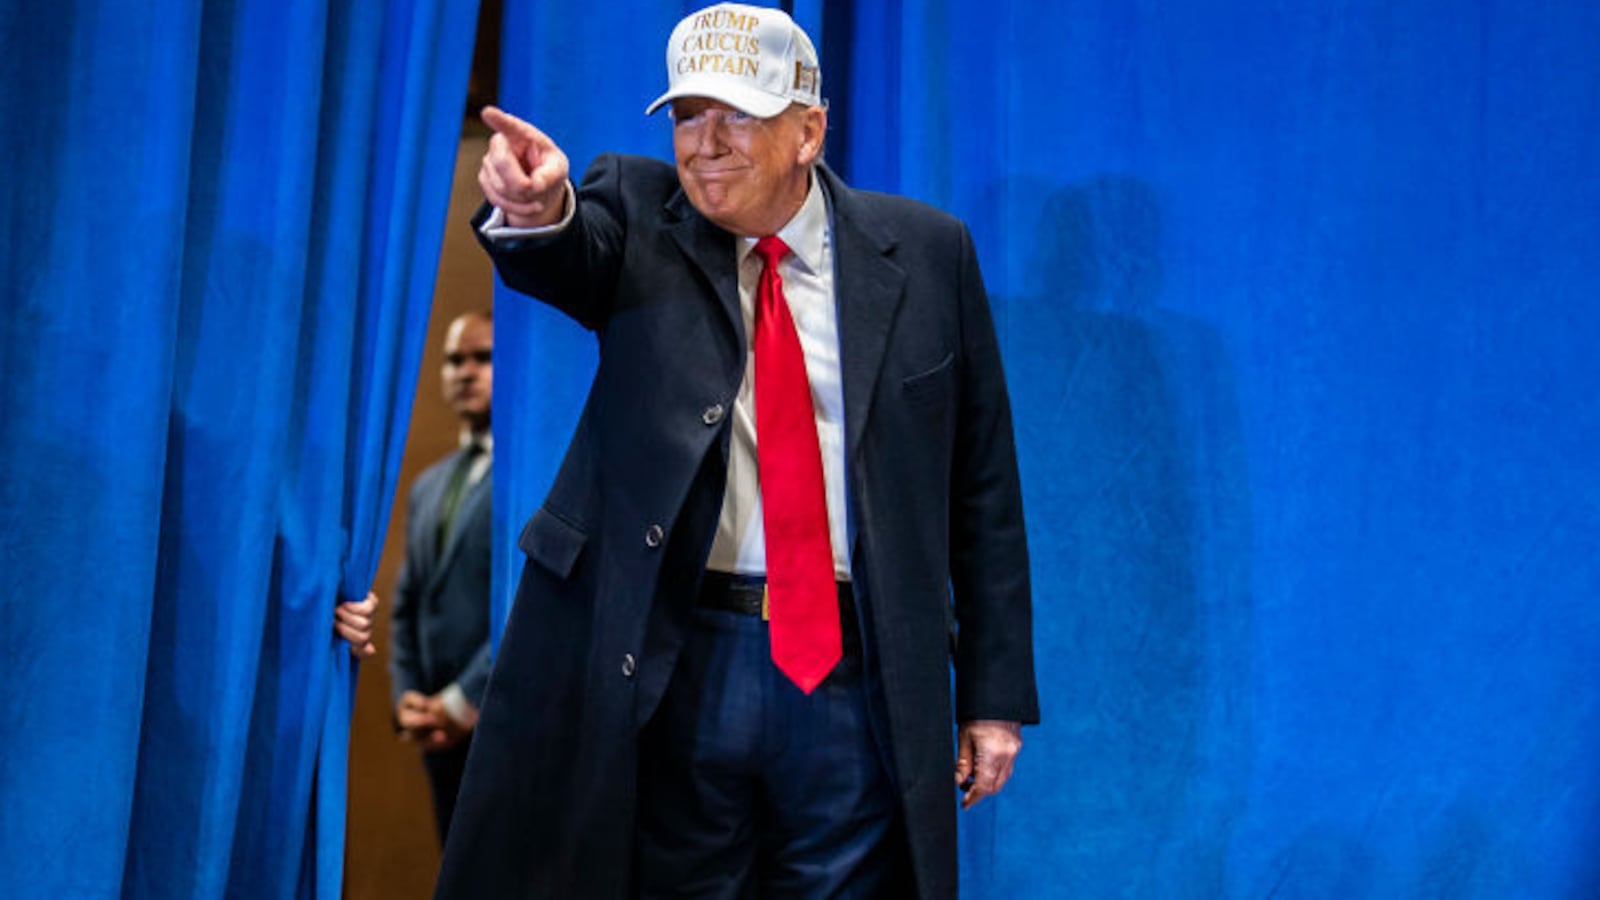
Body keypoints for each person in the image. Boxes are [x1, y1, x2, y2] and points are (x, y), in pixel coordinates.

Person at [439, 4, 1037, 897]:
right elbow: (570, 247)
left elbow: (982, 488)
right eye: (687, 114)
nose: (705, 142)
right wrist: (537, 209)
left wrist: (992, 695)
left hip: (852, 668)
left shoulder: (925, 253)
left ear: (809, 130)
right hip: (682, 661)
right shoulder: (642, 214)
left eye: (737, 115)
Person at [389, 309, 496, 843]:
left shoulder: (532, 478)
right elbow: (406, 603)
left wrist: (462, 701)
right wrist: (410, 698)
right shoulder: (428, 486)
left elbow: (523, 604)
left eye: (482, 358)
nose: (465, 372)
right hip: (439, 736)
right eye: (455, 360)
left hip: (501, 728)